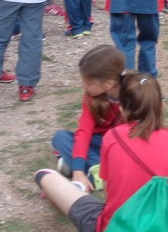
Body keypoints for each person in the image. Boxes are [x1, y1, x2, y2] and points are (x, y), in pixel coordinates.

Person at [35, 72, 168, 232]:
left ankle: (70, 181)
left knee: (45, 175)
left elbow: (110, 196)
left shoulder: (112, 137)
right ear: (161, 105)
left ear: (122, 108)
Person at [51, 45, 125, 189]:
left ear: (108, 84)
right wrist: (78, 171)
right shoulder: (92, 98)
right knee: (60, 137)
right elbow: (84, 132)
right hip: (100, 142)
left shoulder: (133, 93)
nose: (83, 86)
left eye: (89, 83)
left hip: (121, 144)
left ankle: (93, 170)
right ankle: (94, 170)